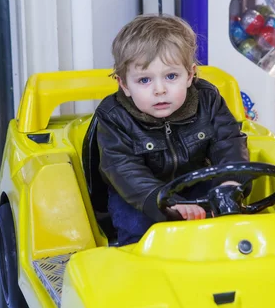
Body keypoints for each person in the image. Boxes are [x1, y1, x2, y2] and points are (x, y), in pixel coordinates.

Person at [95, 14, 250, 246]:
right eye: (144, 80)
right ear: (124, 85)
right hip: (140, 195)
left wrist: (231, 182)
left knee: (234, 215)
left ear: (190, 75)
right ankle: (138, 268)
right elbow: (122, 168)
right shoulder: (114, 116)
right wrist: (164, 201)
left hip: (195, 181)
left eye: (171, 76)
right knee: (137, 227)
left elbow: (228, 142)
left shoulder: (207, 100)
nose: (160, 89)